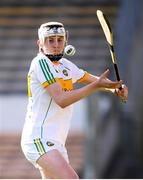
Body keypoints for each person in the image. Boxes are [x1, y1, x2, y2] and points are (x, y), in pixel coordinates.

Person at [21, 22, 128, 179]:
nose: (56, 45)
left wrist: (116, 89)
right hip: (39, 139)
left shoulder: (66, 66)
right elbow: (62, 100)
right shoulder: (41, 63)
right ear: (40, 44)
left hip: (56, 142)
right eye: (50, 40)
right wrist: (96, 86)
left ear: (66, 41)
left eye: (60, 39)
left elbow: (98, 81)